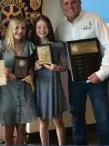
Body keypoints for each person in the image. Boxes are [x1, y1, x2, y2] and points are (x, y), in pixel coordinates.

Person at [55, 0, 109, 145]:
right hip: (75, 80)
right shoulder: (60, 27)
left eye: (73, 2)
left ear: (79, 2)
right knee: (76, 115)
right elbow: (59, 53)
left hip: (96, 79)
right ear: (62, 6)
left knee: (103, 117)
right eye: (66, 3)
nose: (70, 6)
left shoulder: (94, 20)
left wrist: (102, 73)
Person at [0, 16, 37, 145]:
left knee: (22, 127)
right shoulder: (1, 46)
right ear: (10, 29)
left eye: (23, 28)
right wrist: (1, 70)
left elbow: (31, 67)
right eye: (16, 27)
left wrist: (31, 75)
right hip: (7, 91)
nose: (20, 31)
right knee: (8, 127)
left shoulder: (30, 46)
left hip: (24, 89)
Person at [30, 15, 68, 145]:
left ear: (50, 28)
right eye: (39, 27)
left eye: (45, 27)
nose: (42, 30)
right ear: (35, 29)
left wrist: (56, 67)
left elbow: (65, 67)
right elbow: (27, 70)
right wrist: (34, 68)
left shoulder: (57, 45)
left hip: (54, 85)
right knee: (43, 123)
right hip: (40, 87)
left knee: (59, 122)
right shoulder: (31, 47)